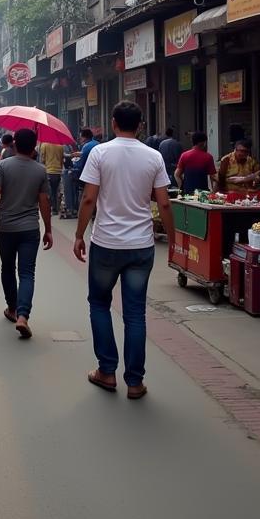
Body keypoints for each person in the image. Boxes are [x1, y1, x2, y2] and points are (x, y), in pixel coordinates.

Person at [74, 101, 174, 400]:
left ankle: (107, 371)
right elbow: (165, 203)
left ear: (114, 122)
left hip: (105, 243)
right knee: (135, 313)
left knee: (99, 304)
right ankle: (134, 381)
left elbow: (89, 200)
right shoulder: (154, 156)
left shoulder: (100, 153)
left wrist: (79, 235)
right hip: (141, 246)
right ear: (140, 125)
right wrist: (174, 241)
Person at [0, 127, 53, 339]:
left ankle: (12, 308)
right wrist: (48, 229)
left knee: (7, 268)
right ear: (34, 146)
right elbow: (44, 201)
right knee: (27, 273)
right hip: (30, 228)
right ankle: (23, 316)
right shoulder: (40, 170)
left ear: (14, 144)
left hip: (6, 227)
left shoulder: (2, 166)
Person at [38, 138, 65, 215]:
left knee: (48, 192)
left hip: (48, 171)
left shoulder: (44, 145)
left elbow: (42, 160)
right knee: (55, 191)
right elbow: (61, 159)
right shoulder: (60, 146)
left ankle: (50, 208)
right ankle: (55, 209)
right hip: (57, 171)